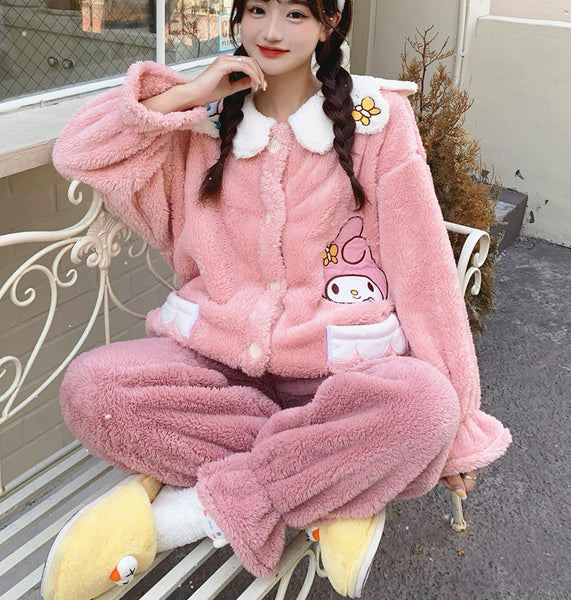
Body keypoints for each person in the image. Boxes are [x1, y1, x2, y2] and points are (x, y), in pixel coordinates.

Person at [41, 1, 512, 599]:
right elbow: (79, 151)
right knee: (92, 391)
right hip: (216, 365)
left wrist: (461, 426)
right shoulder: (203, 120)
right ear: (237, 16)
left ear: (329, 23)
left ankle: (175, 520)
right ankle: (328, 481)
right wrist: (188, 92)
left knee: (426, 407)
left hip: (341, 373)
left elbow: (425, 273)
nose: (270, 31)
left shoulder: (378, 121)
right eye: (258, 9)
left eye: (295, 14)